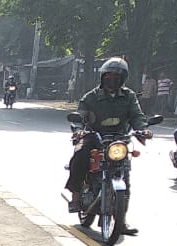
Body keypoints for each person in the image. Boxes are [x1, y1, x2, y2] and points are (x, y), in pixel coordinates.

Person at [64, 57, 150, 234]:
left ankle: (121, 221)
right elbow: (80, 114)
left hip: (119, 140)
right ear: (102, 77)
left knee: (124, 178)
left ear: (122, 79)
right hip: (95, 137)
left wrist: (143, 130)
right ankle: (76, 195)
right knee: (79, 155)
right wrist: (79, 130)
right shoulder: (91, 97)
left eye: (116, 77)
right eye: (108, 76)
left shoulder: (129, 96)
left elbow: (137, 115)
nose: (112, 80)